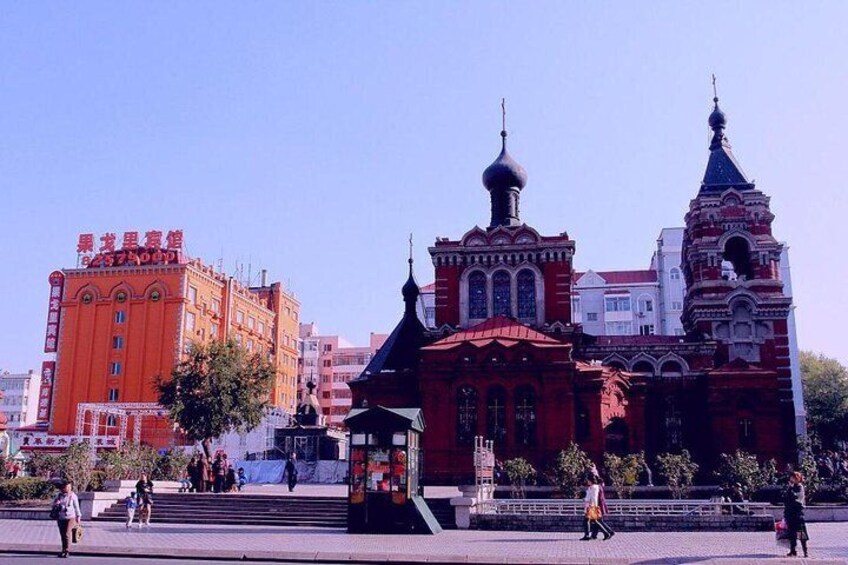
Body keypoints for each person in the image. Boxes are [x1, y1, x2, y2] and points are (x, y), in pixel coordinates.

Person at [51, 481, 81, 558]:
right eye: (66, 487)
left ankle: (67, 550)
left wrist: (78, 516)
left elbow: (76, 507)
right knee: (62, 534)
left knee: (67, 533)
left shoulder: (73, 496)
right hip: (61, 517)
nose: (68, 488)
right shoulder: (59, 496)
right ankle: (63, 550)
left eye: (69, 487)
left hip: (71, 517)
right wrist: (56, 503)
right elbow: (53, 505)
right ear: (62, 488)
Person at [783, 471, 809, 558]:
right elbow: (786, 498)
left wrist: (790, 489)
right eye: (791, 477)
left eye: (793, 477)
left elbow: (796, 498)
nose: (791, 479)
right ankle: (793, 550)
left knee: (801, 533)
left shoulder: (799, 487)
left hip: (797, 514)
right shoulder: (791, 487)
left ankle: (805, 551)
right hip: (790, 513)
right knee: (792, 533)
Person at [580, 476, 614, 541]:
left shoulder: (593, 487)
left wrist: (585, 499)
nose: (587, 482)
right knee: (594, 521)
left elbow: (592, 497)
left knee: (588, 521)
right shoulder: (593, 487)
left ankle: (588, 535)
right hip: (592, 506)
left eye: (588, 480)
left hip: (591, 506)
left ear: (591, 481)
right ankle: (606, 533)